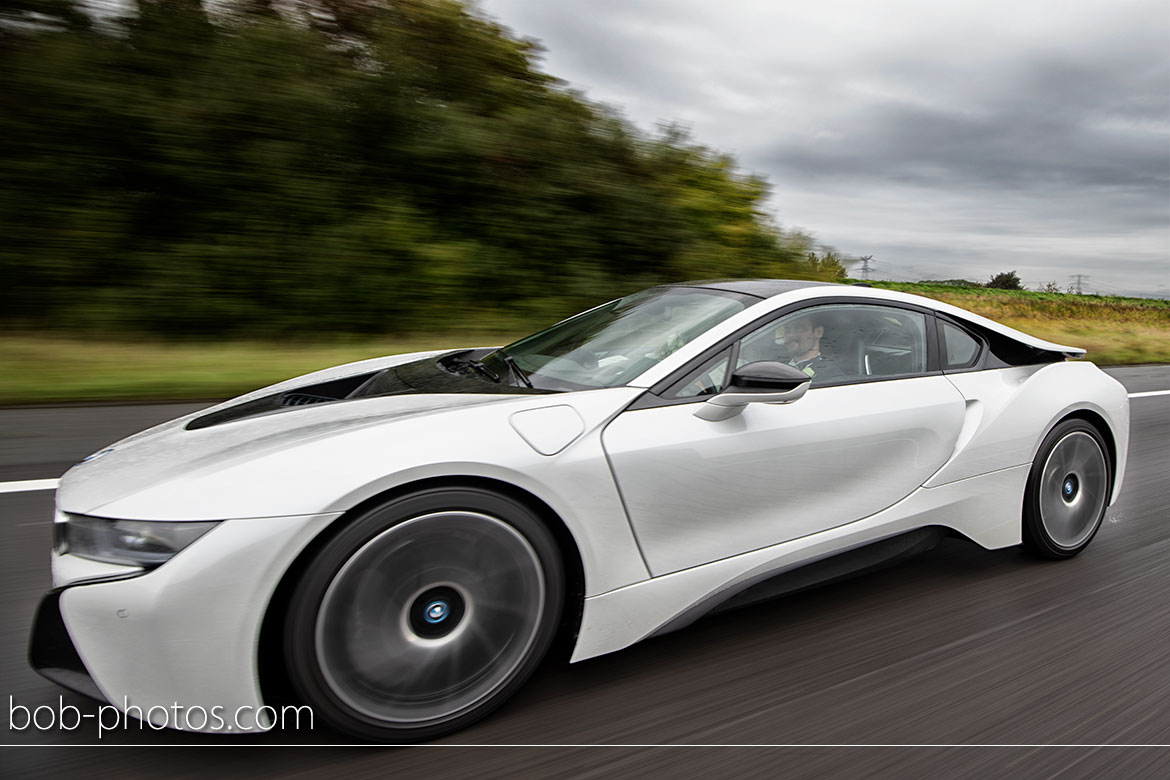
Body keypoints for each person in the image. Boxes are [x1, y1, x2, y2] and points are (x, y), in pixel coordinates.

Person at [775, 314, 845, 384]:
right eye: (787, 329)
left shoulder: (832, 376)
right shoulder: (775, 367)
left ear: (818, 332)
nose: (789, 335)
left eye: (799, 329)